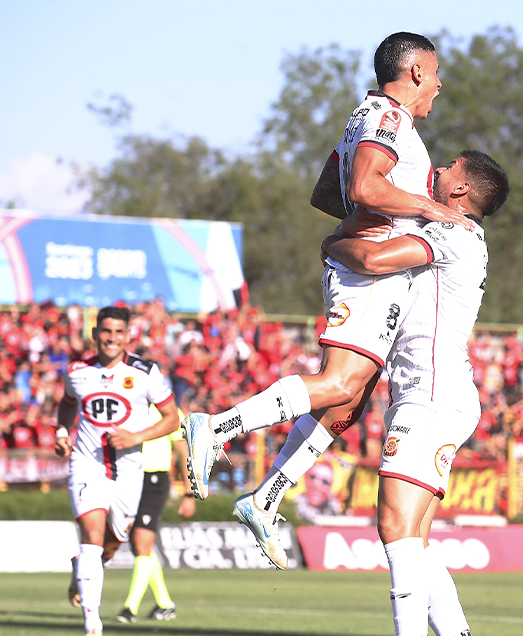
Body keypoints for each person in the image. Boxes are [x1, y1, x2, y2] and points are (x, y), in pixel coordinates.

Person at [184, 33, 467, 569]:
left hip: (365, 264)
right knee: (340, 383)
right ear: (413, 72)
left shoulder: (369, 117)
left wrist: (366, 218)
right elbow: (363, 186)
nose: (438, 85)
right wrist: (424, 208)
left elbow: (327, 193)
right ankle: (216, 428)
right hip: (369, 273)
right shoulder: (389, 118)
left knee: (348, 400)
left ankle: (266, 497)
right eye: (434, 74)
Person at [322, 149, 509, 636]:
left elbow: (374, 258)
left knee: (395, 526)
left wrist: (330, 244)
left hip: (431, 394)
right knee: (414, 538)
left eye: (450, 167)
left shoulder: (450, 229)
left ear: (463, 189)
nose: (440, 170)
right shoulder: (456, 230)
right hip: (435, 392)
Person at [57, 306, 179, 636]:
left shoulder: (145, 372)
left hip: (129, 471)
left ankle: (79, 569)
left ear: (128, 336)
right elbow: (68, 402)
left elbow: (172, 419)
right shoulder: (77, 371)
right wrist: (62, 432)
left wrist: (135, 437)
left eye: (119, 333)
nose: (112, 338)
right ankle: (92, 625)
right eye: (106, 331)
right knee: (92, 539)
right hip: (87, 465)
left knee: (111, 545)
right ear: (95, 333)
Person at [115, 407, 195, 624]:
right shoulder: (127, 404)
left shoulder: (168, 410)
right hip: (129, 478)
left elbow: (183, 451)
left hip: (154, 480)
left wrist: (189, 493)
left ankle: (130, 608)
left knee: (141, 542)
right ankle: (165, 604)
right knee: (139, 546)